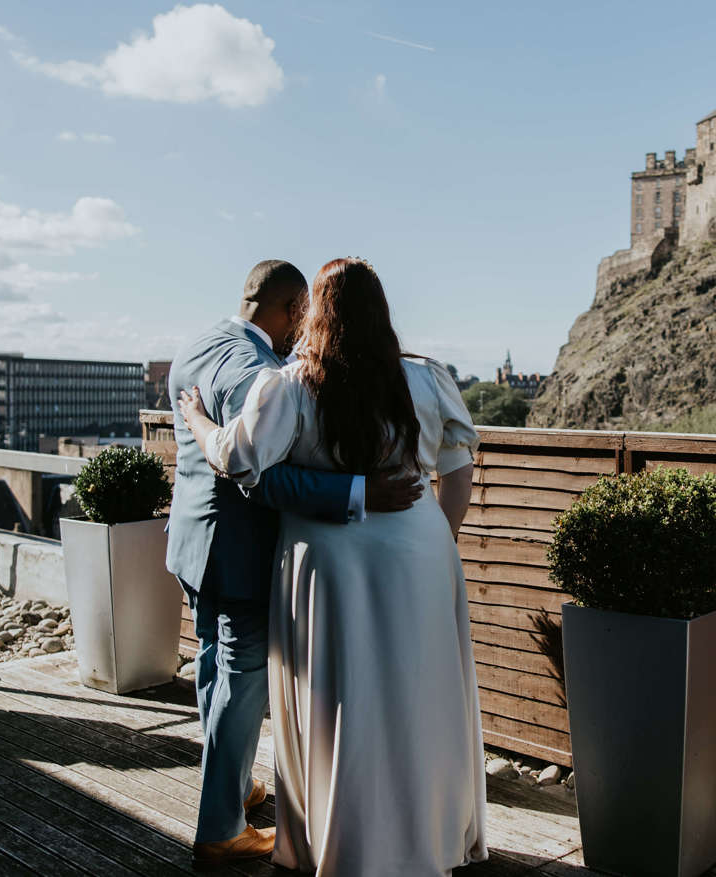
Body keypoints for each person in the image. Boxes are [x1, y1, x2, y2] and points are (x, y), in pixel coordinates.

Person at [178, 258, 488, 876]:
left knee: (340, 696)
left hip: (330, 559)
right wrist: (437, 546)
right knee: (420, 689)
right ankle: (430, 832)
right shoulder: (426, 379)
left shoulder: (292, 385)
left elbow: (237, 460)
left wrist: (196, 420)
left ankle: (343, 838)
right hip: (421, 549)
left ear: (315, 312)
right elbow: (457, 473)